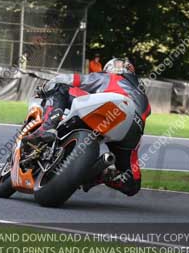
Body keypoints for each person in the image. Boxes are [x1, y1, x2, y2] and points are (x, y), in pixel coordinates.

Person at [27, 57, 150, 196]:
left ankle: (47, 128)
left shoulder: (110, 77)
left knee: (60, 87)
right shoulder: (143, 96)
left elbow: (71, 79)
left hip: (110, 109)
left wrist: (47, 87)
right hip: (133, 128)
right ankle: (101, 174)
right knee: (132, 183)